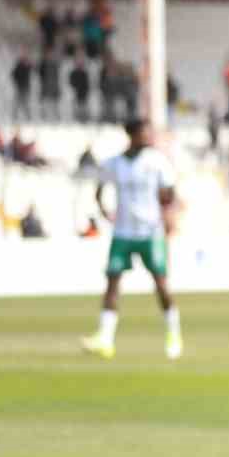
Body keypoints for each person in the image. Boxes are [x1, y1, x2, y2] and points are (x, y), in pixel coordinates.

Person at [80, 118, 183, 361]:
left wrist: (168, 215)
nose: (149, 137)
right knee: (112, 282)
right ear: (132, 135)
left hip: (150, 233)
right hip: (123, 233)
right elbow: (99, 189)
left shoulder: (157, 161)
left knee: (161, 284)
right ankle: (105, 339)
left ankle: (174, 334)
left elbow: (170, 193)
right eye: (145, 133)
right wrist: (105, 212)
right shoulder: (115, 163)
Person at [10, 50, 34, 121]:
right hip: (20, 86)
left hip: (26, 86)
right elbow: (13, 74)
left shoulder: (27, 66)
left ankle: (27, 116)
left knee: (25, 102)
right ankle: (15, 116)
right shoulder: (18, 66)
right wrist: (16, 82)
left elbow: (32, 68)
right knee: (18, 101)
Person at [69, 56, 93, 123]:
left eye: (81, 63)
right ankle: (77, 120)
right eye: (78, 63)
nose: (80, 64)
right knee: (76, 107)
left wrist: (87, 91)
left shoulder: (85, 73)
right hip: (76, 93)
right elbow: (71, 83)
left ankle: (84, 120)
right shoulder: (73, 73)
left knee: (83, 107)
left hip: (83, 93)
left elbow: (87, 84)